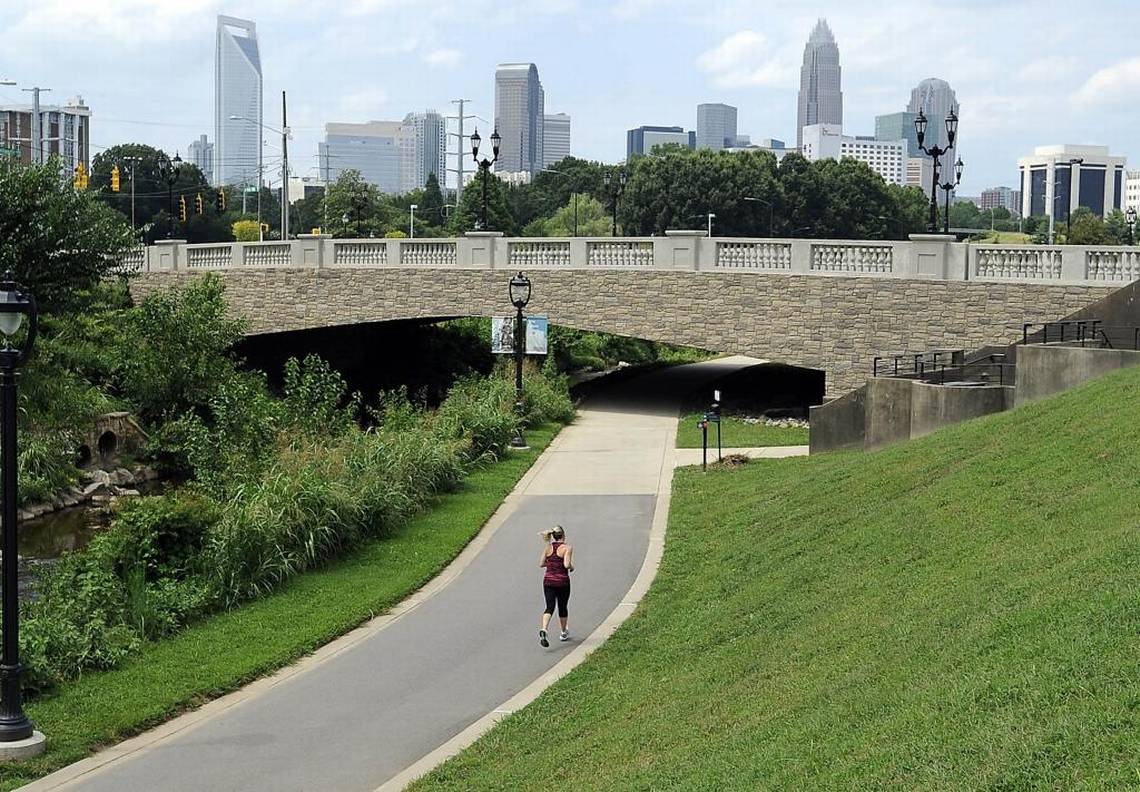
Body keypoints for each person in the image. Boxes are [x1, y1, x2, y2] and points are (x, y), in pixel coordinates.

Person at [538, 525, 573, 647]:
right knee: (562, 607)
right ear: (563, 535)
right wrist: (571, 567)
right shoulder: (566, 548)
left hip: (548, 581)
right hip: (562, 582)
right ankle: (563, 632)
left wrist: (550, 563)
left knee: (549, 607)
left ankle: (544, 629)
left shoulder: (548, 548)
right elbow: (566, 564)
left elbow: (541, 563)